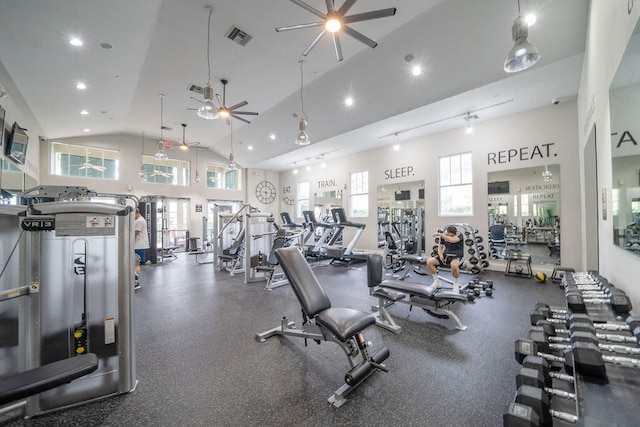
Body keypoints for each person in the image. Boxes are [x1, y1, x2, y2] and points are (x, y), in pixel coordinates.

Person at [426, 225, 464, 293]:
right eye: (450, 235)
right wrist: (440, 255)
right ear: (447, 232)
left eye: (452, 235)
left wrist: (439, 234)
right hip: (446, 255)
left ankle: (455, 284)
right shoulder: (444, 235)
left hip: (456, 255)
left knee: (454, 266)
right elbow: (440, 247)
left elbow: (452, 240)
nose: (451, 236)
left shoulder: (459, 235)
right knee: (429, 262)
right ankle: (437, 281)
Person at [134, 208, 150, 290]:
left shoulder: (139, 221)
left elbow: (135, 233)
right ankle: (134, 280)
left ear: (136, 213)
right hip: (138, 245)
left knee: (136, 263)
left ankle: (136, 282)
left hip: (138, 245)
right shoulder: (138, 220)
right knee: (135, 263)